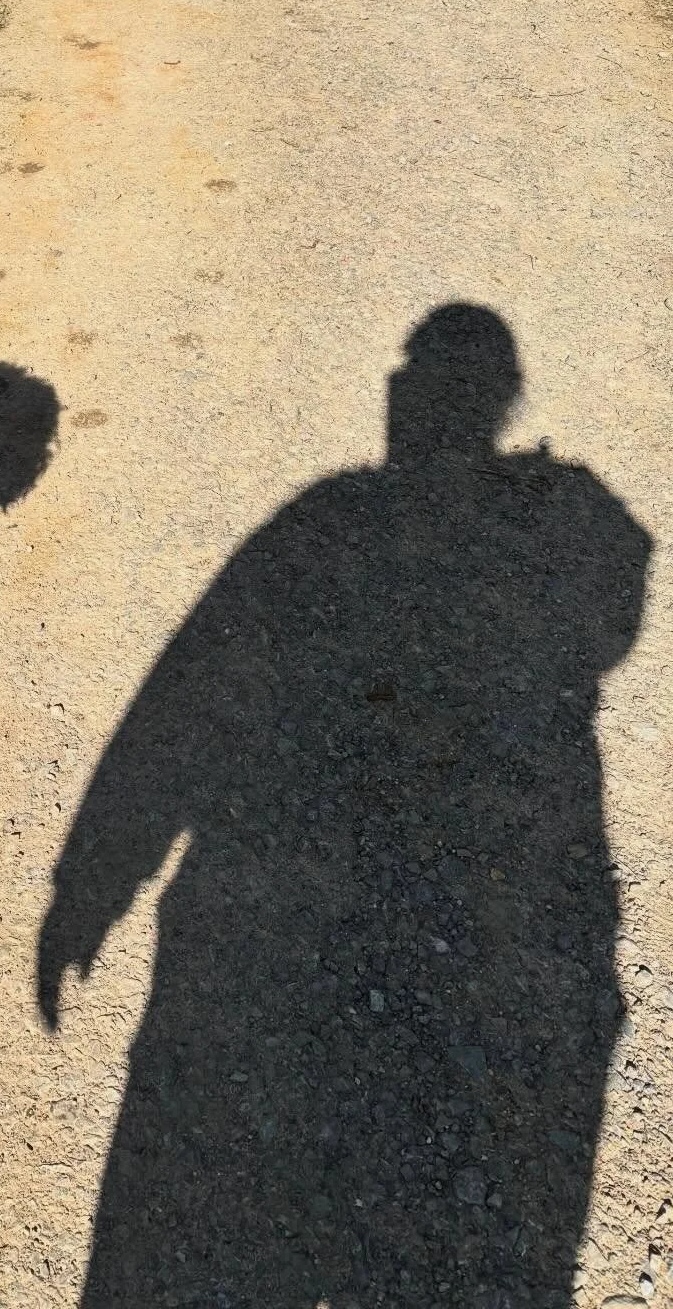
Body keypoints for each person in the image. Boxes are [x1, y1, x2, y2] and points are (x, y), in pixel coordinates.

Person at [39, 305, 650, 1309]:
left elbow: (193, 674)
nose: (412, 395)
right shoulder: (568, 511)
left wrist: (90, 881)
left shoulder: (331, 512)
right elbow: (614, 616)